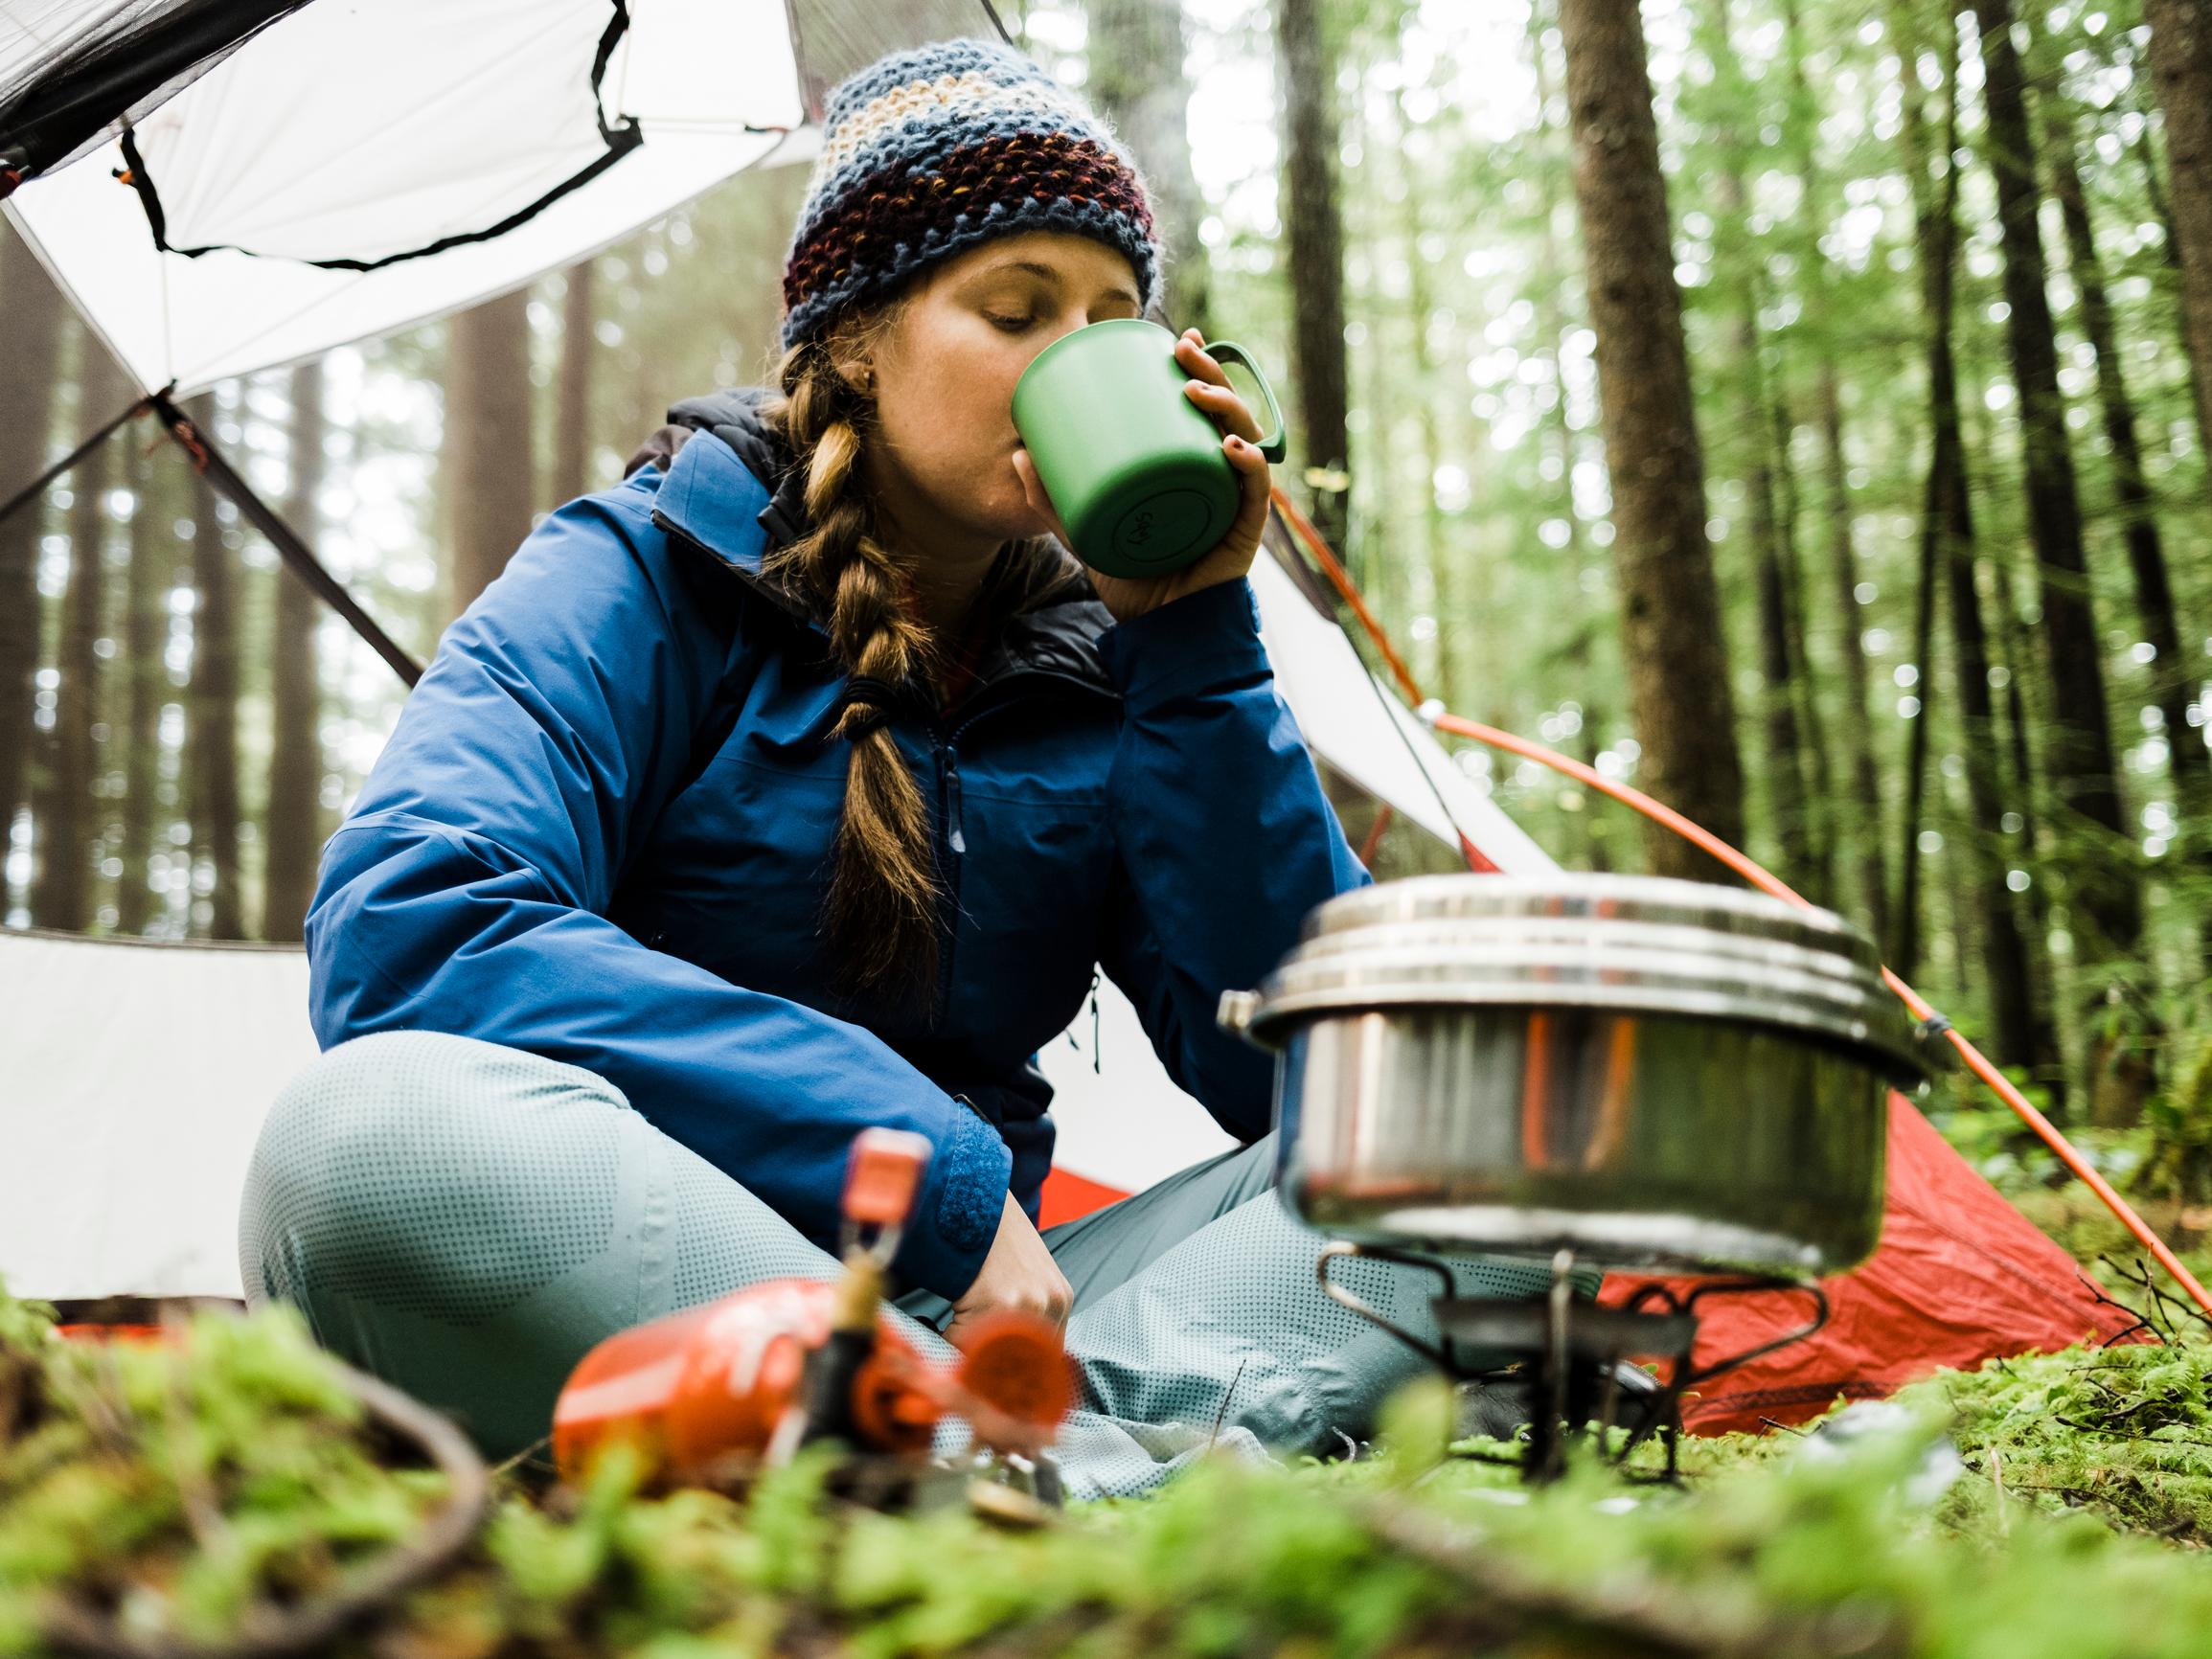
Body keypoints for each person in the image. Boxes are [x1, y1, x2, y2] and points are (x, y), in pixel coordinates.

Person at [239, 35, 1553, 1496]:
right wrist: (922, 1170)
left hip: (1015, 1323)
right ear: (855, 340)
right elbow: (414, 919)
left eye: (1117, 321)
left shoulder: (1109, 669)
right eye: (1017, 310)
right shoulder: (642, 573)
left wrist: (1193, 651)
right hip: (655, 1270)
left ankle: (1008, 1476)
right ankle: (1061, 1474)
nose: (1083, 357)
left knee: (1482, 1141)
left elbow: (1314, 1087)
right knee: (359, 1143)